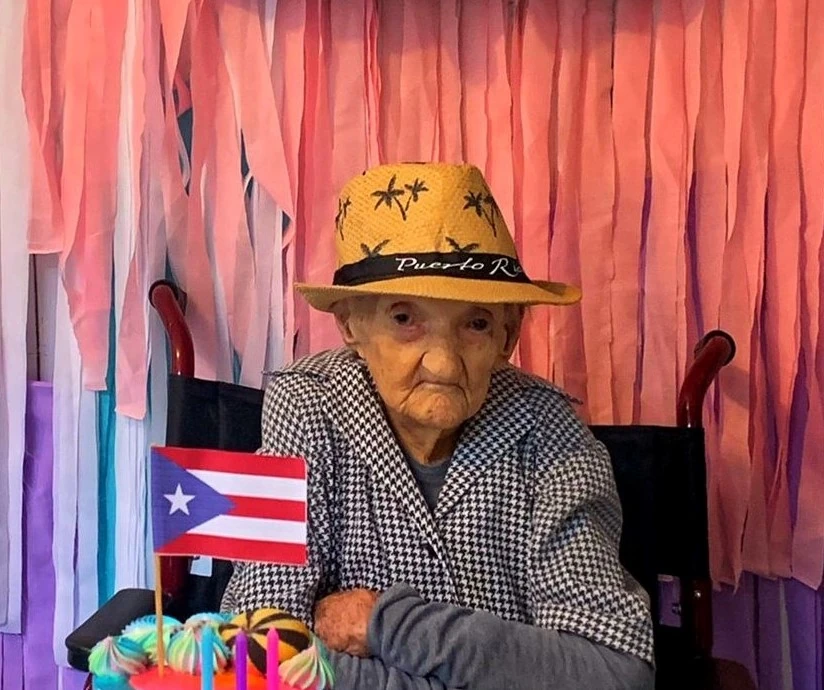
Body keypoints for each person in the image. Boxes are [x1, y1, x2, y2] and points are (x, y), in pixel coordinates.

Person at [222, 163, 654, 689]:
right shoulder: (305, 405)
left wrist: (389, 623)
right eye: (405, 318)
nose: (445, 364)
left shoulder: (550, 432)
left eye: (476, 323)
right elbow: (260, 653)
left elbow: (615, 671)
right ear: (351, 323)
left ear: (508, 335)